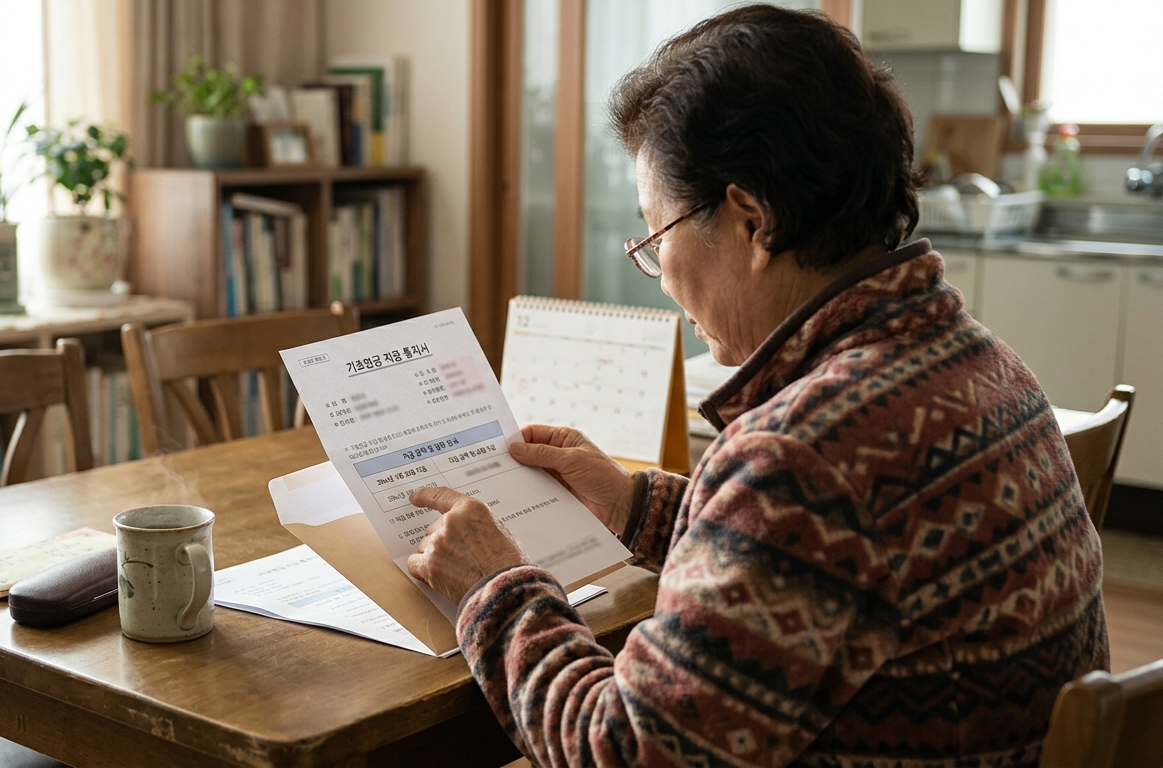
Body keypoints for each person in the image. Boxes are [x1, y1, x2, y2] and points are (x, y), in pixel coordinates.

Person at [405, 6, 1107, 767]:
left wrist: (496, 587)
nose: (658, 271)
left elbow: (626, 751)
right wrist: (634, 506)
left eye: (656, 235)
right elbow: (814, 577)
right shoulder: (978, 362)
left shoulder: (803, 458)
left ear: (751, 219)